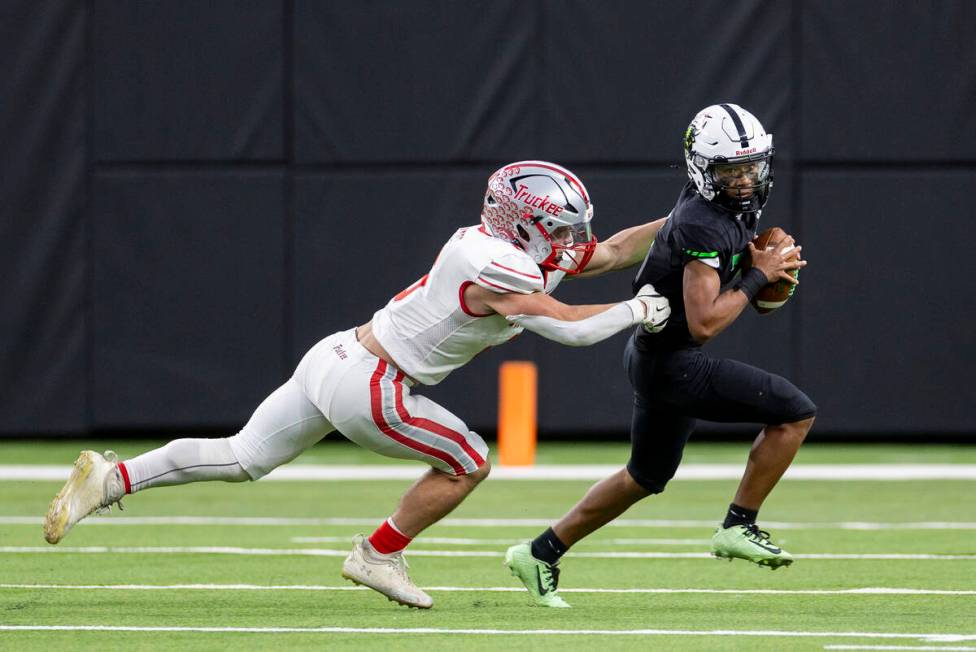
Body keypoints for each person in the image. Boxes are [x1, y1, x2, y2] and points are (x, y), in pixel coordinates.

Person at [43, 160, 672, 610]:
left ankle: (111, 479)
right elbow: (568, 329)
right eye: (558, 228)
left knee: (241, 456)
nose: (570, 241)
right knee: (470, 460)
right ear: (523, 224)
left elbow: (611, 252)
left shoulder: (512, 248)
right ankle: (376, 553)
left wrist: (676, 222)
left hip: (339, 355)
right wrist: (638, 311)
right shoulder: (496, 264)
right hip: (376, 380)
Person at [505, 105, 816, 608]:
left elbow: (650, 239)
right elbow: (705, 322)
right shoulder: (705, 222)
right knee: (795, 411)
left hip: (651, 355)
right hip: (675, 362)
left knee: (644, 477)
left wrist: (762, 273)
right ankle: (739, 525)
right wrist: (758, 276)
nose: (742, 181)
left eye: (750, 167)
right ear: (701, 168)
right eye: (729, 171)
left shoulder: (711, 206)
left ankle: (538, 553)